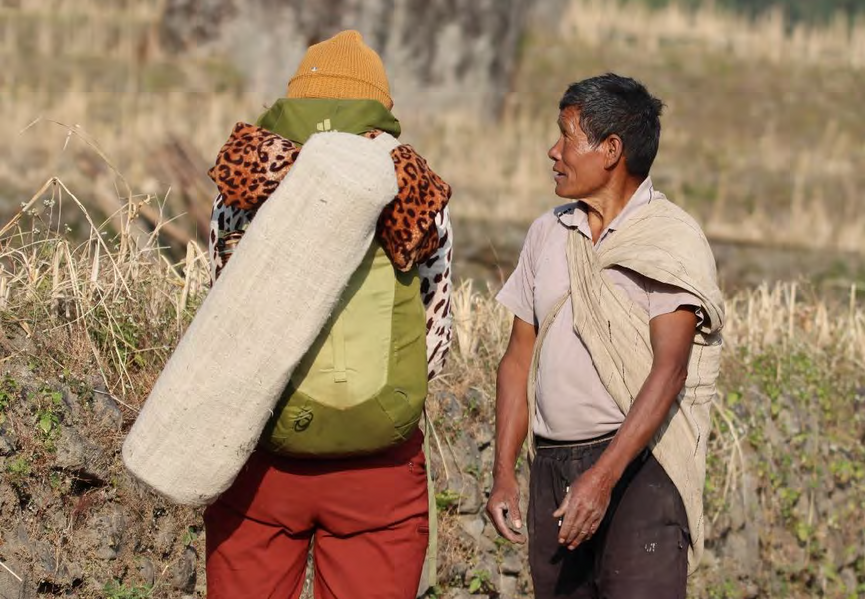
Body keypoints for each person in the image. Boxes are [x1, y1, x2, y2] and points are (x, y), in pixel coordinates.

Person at [202, 30, 453, 599]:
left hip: (262, 456)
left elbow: (221, 304)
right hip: (378, 469)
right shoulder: (411, 184)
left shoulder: (247, 176)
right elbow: (434, 333)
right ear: (379, 107)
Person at [486, 73, 725, 598]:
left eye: (566, 136)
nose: (553, 151)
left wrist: (603, 477)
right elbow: (517, 360)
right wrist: (504, 473)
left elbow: (670, 371)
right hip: (552, 468)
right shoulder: (547, 233)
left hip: (641, 470)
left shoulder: (669, 240)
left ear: (611, 150)